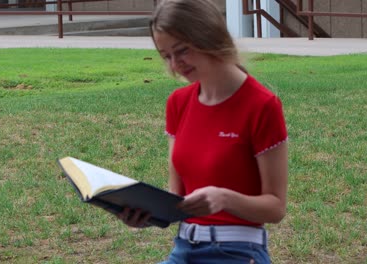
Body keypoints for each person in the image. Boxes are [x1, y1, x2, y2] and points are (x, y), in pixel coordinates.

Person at [117, 0, 289, 263]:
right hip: (184, 249)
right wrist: (146, 215)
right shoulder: (178, 103)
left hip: (239, 251)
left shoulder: (262, 105)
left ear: (208, 36)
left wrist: (224, 199)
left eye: (181, 50)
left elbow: (275, 208)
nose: (175, 64)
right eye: (166, 56)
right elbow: (177, 200)